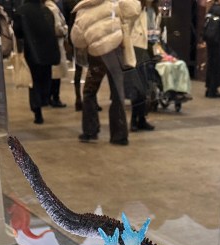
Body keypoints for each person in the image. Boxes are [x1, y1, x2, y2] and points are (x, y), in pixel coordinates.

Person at [72, 0, 142, 145]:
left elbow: (77, 40)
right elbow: (135, 9)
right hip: (115, 51)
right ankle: (119, 136)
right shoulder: (114, 3)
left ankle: (90, 131)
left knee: (89, 91)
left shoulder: (83, 9)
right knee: (117, 93)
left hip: (96, 56)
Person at [15, 0, 61, 124]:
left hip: (32, 50)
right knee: (46, 77)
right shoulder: (47, 10)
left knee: (34, 80)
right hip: (48, 50)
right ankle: (44, 100)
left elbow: (18, 32)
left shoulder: (21, 11)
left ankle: (37, 110)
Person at [128, 0, 155, 131]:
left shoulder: (148, 10)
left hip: (144, 49)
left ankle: (142, 119)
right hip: (135, 49)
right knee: (137, 88)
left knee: (144, 88)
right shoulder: (134, 8)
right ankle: (134, 120)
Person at [45, 0, 70, 107]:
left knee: (51, 73)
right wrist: (65, 29)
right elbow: (57, 28)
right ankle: (55, 98)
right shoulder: (53, 8)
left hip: (47, 44)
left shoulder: (44, 7)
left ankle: (48, 97)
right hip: (56, 44)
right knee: (56, 73)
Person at [203, 0, 220, 98]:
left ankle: (208, 88)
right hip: (218, 41)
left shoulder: (211, 9)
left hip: (210, 40)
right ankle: (213, 90)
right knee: (217, 65)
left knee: (210, 63)